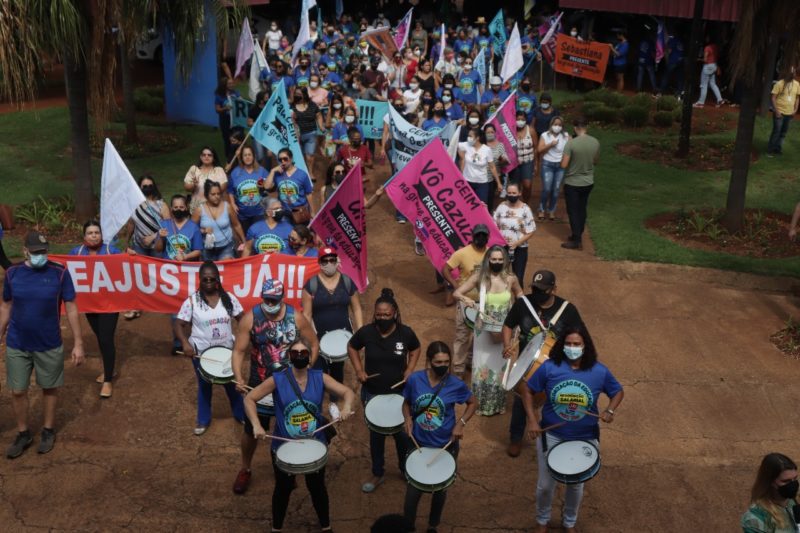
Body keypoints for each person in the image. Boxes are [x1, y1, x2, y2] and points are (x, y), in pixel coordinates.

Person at [520, 325, 624, 533]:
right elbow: (527, 390)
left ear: (585, 346)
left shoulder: (599, 371)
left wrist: (610, 410)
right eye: (568, 343)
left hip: (585, 437)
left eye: (577, 344)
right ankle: (542, 520)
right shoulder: (550, 367)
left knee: (575, 485)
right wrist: (532, 420)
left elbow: (617, 391)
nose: (572, 348)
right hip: (552, 435)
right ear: (562, 345)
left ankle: (569, 523)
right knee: (546, 485)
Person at [244, 338, 355, 533]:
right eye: (295, 353)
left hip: (315, 444)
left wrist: (346, 407)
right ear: (289, 357)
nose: (300, 356)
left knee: (317, 488)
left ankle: (326, 527)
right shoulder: (278, 379)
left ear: (310, 357)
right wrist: (256, 425)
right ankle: (276, 528)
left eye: (304, 353)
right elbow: (249, 399)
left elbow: (347, 392)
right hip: (284, 446)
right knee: (283, 489)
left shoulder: (319, 377)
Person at [1, 231, 85, 458]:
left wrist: (78, 342)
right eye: (36, 252)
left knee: (49, 388)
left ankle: (48, 430)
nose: (41, 255)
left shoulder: (60, 273)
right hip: (17, 343)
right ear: (25, 251)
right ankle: (23, 433)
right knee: (18, 390)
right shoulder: (12, 273)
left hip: (49, 343)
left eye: (44, 251)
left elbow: (71, 308)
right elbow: (6, 306)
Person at [231, 279, 319, 494]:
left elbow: (314, 343)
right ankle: (245, 468)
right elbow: (239, 351)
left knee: (289, 428)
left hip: (288, 385)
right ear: (262, 297)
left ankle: (289, 469)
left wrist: (306, 368)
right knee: (251, 430)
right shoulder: (251, 318)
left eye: (274, 300)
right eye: (267, 299)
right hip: (259, 383)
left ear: (282, 298)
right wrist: (239, 377)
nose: (270, 303)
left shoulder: (295, 317)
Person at [502, 269, 584, 457]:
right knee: (521, 400)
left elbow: (580, 335)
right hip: (528, 366)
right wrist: (506, 345)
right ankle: (515, 438)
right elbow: (508, 325)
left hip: (558, 365)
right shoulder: (523, 304)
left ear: (554, 289)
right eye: (535, 289)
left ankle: (556, 439)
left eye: (543, 290)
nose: (538, 293)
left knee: (557, 401)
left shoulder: (568, 310)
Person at [348, 288, 421, 493]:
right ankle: (378, 472)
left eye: (386, 314)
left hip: (400, 394)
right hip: (373, 393)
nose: (382, 318)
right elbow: (352, 347)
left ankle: (405, 469)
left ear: (394, 313)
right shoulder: (367, 332)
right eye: (379, 314)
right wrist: (359, 370)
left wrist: (409, 369)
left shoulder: (405, 333)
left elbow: (416, 348)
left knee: (402, 435)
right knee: (377, 436)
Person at [402, 341, 477, 532]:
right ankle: (408, 527)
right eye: (438, 362)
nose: (443, 366)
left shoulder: (456, 384)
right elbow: (406, 402)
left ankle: (432, 526)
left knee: (439, 490)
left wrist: (460, 424)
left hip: (445, 445)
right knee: (412, 492)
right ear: (429, 361)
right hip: (417, 443)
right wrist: (407, 418)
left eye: (446, 362)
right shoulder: (415, 380)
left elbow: (472, 403)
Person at [174, 261, 245, 435]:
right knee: (205, 387)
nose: (208, 282)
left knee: (232, 385)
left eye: (211, 279)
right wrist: (185, 343)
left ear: (218, 279)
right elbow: (179, 324)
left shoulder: (229, 298)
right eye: (204, 279)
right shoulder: (192, 301)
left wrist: (242, 339)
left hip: (226, 354)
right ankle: (203, 420)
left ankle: (241, 414)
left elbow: (243, 319)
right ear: (200, 279)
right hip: (202, 355)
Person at [453, 247, 522, 416]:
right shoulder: (479, 277)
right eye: (494, 259)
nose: (497, 262)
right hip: (484, 329)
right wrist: (466, 299)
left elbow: (519, 293)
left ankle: (497, 404)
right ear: (488, 260)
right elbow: (457, 293)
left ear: (505, 260)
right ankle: (481, 404)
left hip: (505, 328)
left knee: (500, 365)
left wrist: (521, 306)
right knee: (482, 365)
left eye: (500, 260)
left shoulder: (511, 278)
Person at [69, 221, 121, 398]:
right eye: (90, 233)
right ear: (84, 236)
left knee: (106, 338)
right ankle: (110, 368)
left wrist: (131, 256)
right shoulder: (76, 253)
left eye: (97, 232)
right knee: (100, 336)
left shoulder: (111, 251)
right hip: (89, 304)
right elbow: (66, 269)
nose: (94, 236)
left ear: (101, 235)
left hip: (110, 304)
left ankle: (107, 380)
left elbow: (126, 267)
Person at [155, 195, 203, 355]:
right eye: (175, 207)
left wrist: (186, 256)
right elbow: (158, 249)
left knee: (193, 307)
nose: (178, 210)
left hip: (190, 273)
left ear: (186, 208)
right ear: (171, 209)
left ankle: (196, 339)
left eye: (181, 207)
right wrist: (161, 238)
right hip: (171, 274)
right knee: (175, 309)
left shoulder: (193, 227)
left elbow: (198, 250)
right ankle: (178, 342)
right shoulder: (164, 225)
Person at [442, 224, 490, 377]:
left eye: (483, 235)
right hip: (465, 302)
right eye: (478, 235)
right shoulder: (462, 253)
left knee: (480, 335)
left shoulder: (492, 254)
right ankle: (458, 370)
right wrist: (456, 286)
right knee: (462, 337)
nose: (480, 238)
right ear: (472, 236)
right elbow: (445, 269)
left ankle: (470, 360)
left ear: (488, 237)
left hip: (484, 303)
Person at [560, 117, 600, 250]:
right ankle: (577, 234)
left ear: (575, 128)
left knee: (573, 211)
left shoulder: (571, 144)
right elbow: (595, 161)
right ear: (586, 127)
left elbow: (563, 165)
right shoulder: (595, 142)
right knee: (582, 209)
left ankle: (576, 240)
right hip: (588, 182)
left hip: (573, 183)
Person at [741, 453, 800, 533]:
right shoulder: (756, 519)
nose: (793, 484)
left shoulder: (794, 501)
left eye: (795, 478)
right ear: (770, 481)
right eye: (786, 481)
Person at [493, 184, 536, 285]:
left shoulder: (525, 209)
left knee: (518, 278)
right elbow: (493, 225)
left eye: (514, 193)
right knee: (499, 276)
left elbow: (531, 231)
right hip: (502, 248)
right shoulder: (501, 206)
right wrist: (484, 209)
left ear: (519, 193)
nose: (511, 195)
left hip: (520, 248)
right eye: (509, 193)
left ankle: (519, 295)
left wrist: (516, 243)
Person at [192, 180, 245, 261]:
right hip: (207, 248)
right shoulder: (199, 210)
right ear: (206, 195)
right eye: (213, 194)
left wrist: (244, 241)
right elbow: (192, 230)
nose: (216, 196)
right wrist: (203, 231)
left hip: (226, 246)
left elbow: (236, 225)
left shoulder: (227, 207)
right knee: (209, 268)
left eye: (218, 194)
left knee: (226, 266)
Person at [264, 148, 316, 225]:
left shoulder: (302, 174)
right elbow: (267, 187)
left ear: (291, 159)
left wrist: (312, 212)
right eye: (280, 159)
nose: (283, 161)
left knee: (300, 232)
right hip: (284, 212)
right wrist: (272, 171)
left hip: (300, 211)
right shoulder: (277, 174)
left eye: (285, 159)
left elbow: (309, 194)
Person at [228, 145, 269, 234]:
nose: (247, 157)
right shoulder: (235, 173)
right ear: (242, 158)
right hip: (243, 214)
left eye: (249, 154)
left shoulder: (262, 171)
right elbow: (230, 190)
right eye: (245, 155)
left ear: (254, 156)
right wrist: (232, 203)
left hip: (259, 212)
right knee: (247, 236)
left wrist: (264, 186)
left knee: (259, 235)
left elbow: (270, 186)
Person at [537, 116, 570, 221]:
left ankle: (551, 210)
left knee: (556, 190)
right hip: (547, 164)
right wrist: (550, 144)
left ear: (562, 126)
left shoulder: (565, 136)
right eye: (555, 124)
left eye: (560, 125)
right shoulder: (545, 135)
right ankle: (542, 209)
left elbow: (571, 148)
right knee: (547, 189)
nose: (557, 127)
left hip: (560, 166)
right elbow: (539, 150)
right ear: (551, 125)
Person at [458, 128, 501, 208]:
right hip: (467, 182)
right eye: (468, 136)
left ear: (477, 138)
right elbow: (452, 144)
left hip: (482, 184)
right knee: (466, 206)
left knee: (482, 206)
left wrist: (498, 183)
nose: (468, 138)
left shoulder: (487, 150)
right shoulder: (465, 145)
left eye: (470, 136)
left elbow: (492, 167)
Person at [292, 87, 325, 182]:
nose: (297, 96)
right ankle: (299, 174)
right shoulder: (291, 106)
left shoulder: (312, 105)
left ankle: (310, 173)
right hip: (296, 136)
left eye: (299, 94)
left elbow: (318, 115)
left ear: (304, 94)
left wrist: (321, 126)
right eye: (296, 94)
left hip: (311, 134)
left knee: (309, 156)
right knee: (298, 156)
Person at [767, 69, 800, 156]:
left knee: (783, 133)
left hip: (789, 113)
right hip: (779, 112)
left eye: (794, 73)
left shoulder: (797, 84)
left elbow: (797, 98)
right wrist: (776, 111)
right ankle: (770, 150)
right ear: (786, 73)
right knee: (776, 131)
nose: (793, 74)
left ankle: (777, 149)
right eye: (791, 73)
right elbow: (773, 97)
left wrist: (795, 109)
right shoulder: (779, 83)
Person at [183, 147, 227, 212]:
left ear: (214, 158)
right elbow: (186, 187)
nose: (206, 157)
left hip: (214, 206)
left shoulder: (219, 170)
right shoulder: (194, 169)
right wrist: (194, 185)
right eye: (204, 155)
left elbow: (223, 187)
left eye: (209, 155)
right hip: (197, 207)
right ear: (200, 157)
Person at [509, 110, 537, 203]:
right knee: (515, 185)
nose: (520, 121)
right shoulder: (511, 131)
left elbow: (535, 148)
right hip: (514, 163)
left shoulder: (531, 130)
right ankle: (515, 204)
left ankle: (526, 203)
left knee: (527, 185)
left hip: (528, 161)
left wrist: (536, 164)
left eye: (522, 119)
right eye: (518, 119)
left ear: (526, 120)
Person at [693, 35, 725, 108]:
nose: (706, 39)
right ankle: (720, 100)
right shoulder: (715, 47)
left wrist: (698, 59)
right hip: (714, 66)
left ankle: (701, 103)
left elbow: (705, 60)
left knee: (703, 85)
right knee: (713, 84)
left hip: (707, 66)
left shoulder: (707, 47)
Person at [214, 77, 240, 161]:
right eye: (229, 83)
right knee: (227, 139)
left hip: (236, 120)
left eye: (232, 83)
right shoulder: (219, 96)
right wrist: (225, 108)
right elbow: (217, 109)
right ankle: (229, 158)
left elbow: (241, 102)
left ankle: (239, 156)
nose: (232, 85)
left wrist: (240, 100)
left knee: (238, 138)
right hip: (225, 121)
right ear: (224, 85)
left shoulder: (236, 93)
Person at [484, 123, 509, 198]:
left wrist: (502, 160)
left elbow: (505, 163)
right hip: (483, 176)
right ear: (484, 133)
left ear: (495, 133)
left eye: (492, 132)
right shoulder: (481, 145)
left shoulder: (500, 145)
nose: (490, 134)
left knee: (491, 198)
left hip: (495, 177)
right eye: (488, 132)